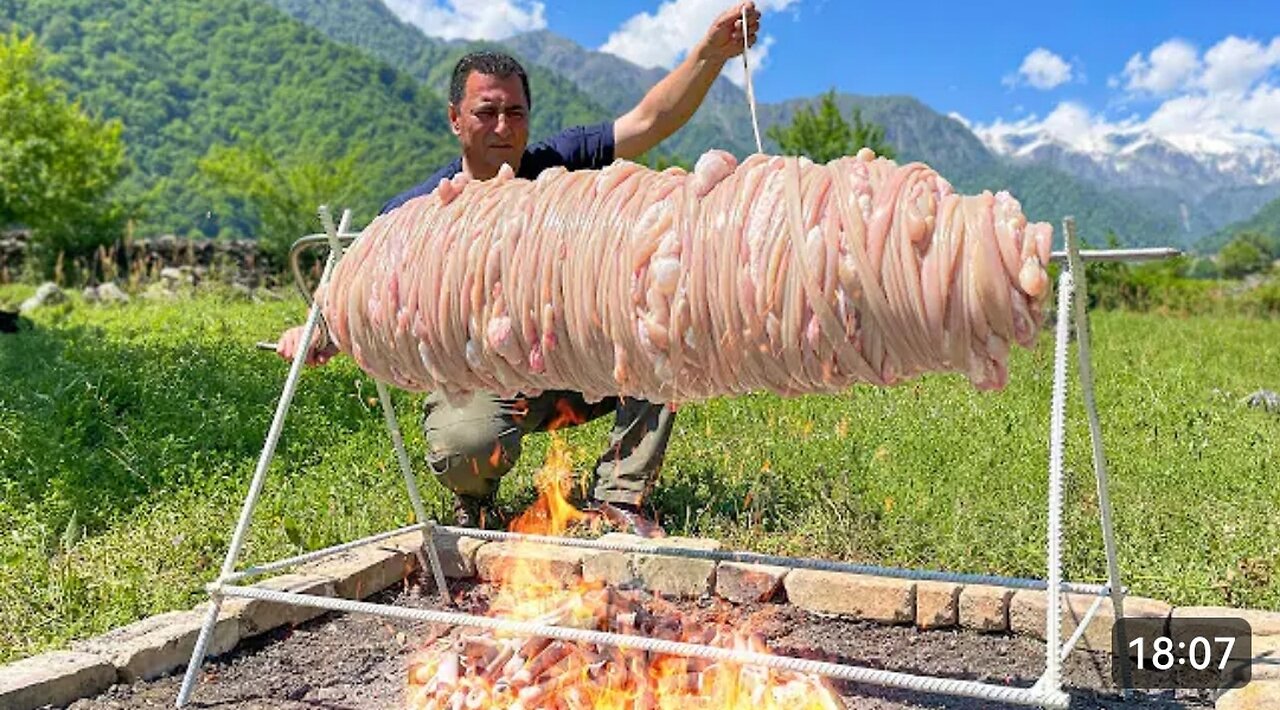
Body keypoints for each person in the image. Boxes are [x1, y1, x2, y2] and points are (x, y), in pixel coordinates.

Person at [277, 2, 761, 537]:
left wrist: (709, 54)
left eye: (516, 113)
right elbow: (362, 288)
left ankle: (621, 495)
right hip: (484, 377)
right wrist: (316, 328)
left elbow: (650, 121)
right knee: (467, 444)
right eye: (487, 112)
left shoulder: (555, 165)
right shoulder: (417, 212)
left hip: (575, 363)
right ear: (455, 118)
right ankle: (476, 500)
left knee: (660, 327)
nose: (503, 127)